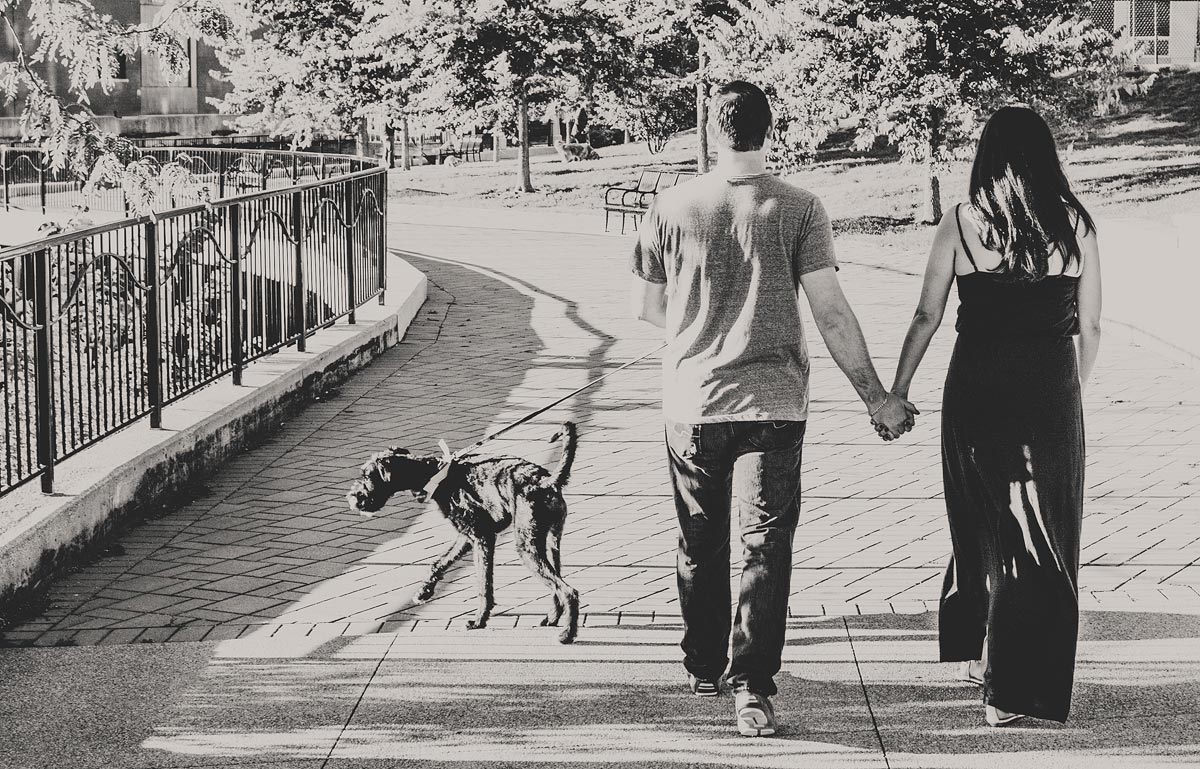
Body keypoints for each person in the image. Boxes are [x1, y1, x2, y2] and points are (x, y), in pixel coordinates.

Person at [629, 80, 918, 737]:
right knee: (765, 544)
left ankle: (703, 663)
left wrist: (698, 329)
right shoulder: (801, 207)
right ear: (768, 130)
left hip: (692, 402)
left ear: (712, 128)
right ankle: (753, 688)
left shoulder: (671, 206)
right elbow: (832, 311)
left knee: (700, 538)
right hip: (775, 405)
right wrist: (877, 396)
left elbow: (647, 309)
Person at [888, 105, 1101, 726]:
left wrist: (897, 392)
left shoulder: (960, 222)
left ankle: (981, 651)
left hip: (976, 392)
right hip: (1050, 394)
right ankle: (1012, 687)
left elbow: (926, 316)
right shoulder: (1076, 225)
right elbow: (1090, 324)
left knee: (982, 515)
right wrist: (1070, 392)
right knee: (1043, 530)